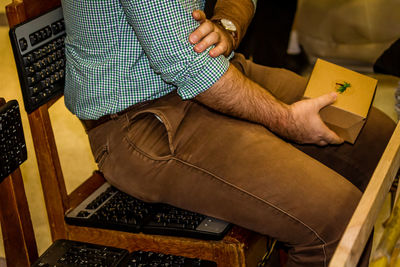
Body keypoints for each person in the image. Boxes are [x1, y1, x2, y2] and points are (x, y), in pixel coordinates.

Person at [61, 1, 395, 266]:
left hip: (213, 67)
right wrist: (284, 120)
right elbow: (185, 63)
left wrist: (226, 25)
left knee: (378, 140)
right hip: (138, 116)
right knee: (337, 217)